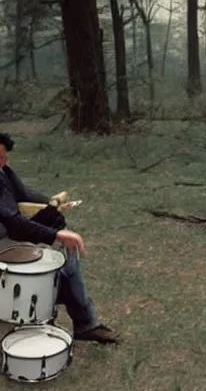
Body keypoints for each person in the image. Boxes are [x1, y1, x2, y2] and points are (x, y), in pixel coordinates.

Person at [0, 132, 119, 343]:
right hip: (4, 242)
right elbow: (13, 220)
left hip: (8, 236)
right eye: (0, 158)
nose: (4, 162)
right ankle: (70, 319)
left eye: (4, 156)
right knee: (56, 261)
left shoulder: (3, 172)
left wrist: (51, 203)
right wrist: (55, 233)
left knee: (65, 257)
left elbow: (23, 193)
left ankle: (82, 321)